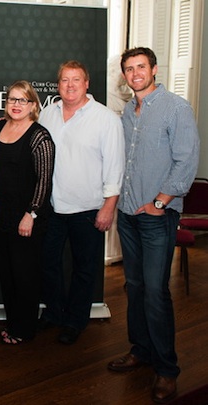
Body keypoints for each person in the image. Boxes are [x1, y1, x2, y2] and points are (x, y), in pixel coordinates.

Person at [107, 47, 200, 403]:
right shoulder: (128, 113)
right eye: (129, 69)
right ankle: (141, 350)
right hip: (129, 215)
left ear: (154, 69)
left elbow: (187, 160)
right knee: (134, 286)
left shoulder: (176, 108)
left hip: (157, 215)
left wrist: (161, 201)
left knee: (157, 293)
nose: (135, 74)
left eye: (140, 67)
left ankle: (166, 369)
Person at [38, 60, 124, 345]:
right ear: (58, 84)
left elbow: (115, 165)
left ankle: (75, 321)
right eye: (64, 80)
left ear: (87, 84)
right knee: (48, 264)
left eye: (76, 80)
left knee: (84, 269)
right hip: (51, 206)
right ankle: (53, 313)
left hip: (89, 209)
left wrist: (108, 206)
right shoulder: (47, 114)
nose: (70, 85)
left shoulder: (105, 118)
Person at [0, 80, 55, 345]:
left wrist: (32, 213)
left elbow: (44, 180)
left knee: (25, 276)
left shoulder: (40, 136)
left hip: (27, 218)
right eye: (12, 99)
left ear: (33, 105)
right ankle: (13, 322)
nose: (16, 105)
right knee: (6, 274)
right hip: (2, 216)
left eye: (23, 100)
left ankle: (25, 329)